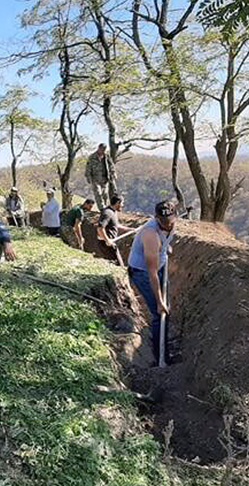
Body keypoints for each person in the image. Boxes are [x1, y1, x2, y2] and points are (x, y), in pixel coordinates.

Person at [127, 200, 177, 366]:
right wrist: (159, 301)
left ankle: (164, 346)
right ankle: (160, 358)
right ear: (156, 219)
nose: (168, 226)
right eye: (164, 223)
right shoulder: (150, 235)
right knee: (159, 312)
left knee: (166, 309)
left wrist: (165, 247)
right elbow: (151, 273)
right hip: (142, 272)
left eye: (170, 222)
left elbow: (165, 240)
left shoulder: (169, 224)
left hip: (159, 265)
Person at [97, 195, 137, 265]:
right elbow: (100, 228)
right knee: (118, 265)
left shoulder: (113, 212)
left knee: (117, 264)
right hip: (106, 244)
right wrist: (107, 240)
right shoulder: (108, 213)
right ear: (118, 202)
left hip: (110, 243)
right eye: (122, 203)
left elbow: (116, 226)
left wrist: (130, 229)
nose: (123, 205)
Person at [85, 143, 117, 210]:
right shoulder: (92, 157)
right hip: (95, 179)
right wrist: (88, 178)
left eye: (104, 149)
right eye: (101, 149)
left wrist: (113, 174)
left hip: (105, 179)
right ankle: (102, 208)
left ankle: (105, 207)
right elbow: (88, 168)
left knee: (105, 194)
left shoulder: (107, 157)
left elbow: (111, 166)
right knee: (98, 194)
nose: (102, 151)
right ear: (98, 148)